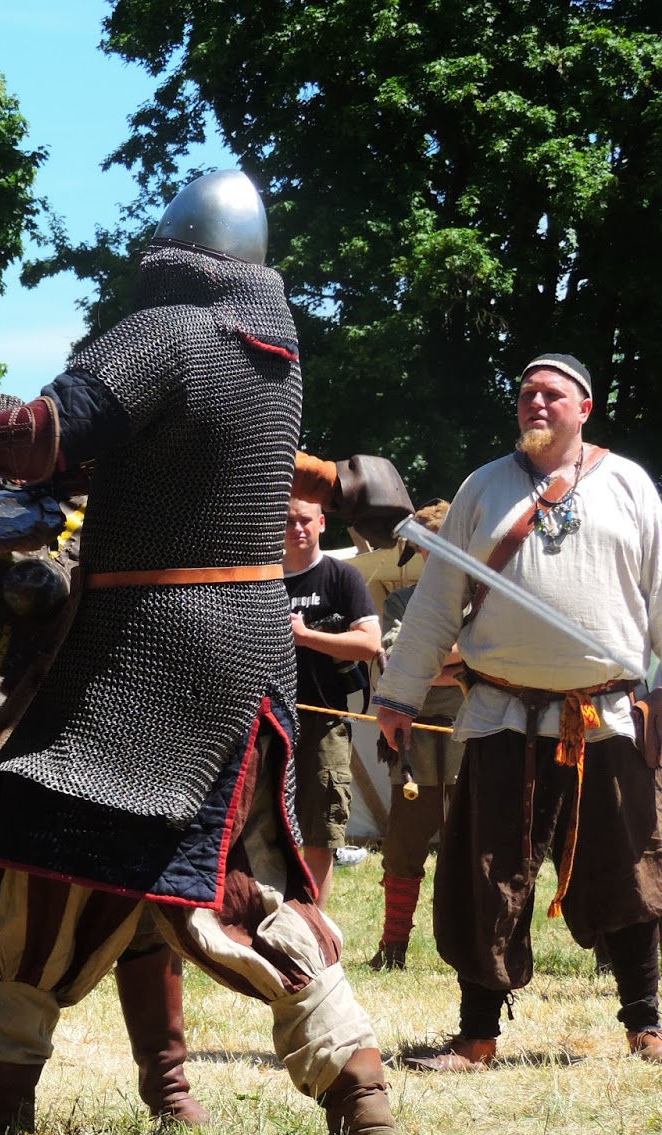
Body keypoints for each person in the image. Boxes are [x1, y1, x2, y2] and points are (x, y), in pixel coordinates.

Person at [0, 171, 396, 1135]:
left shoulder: (169, 333)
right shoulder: (271, 354)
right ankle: (353, 1072)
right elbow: (139, 462)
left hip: (155, 639)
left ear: (171, 251)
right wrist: (343, 479)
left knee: (45, 848)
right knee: (234, 874)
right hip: (250, 642)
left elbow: (48, 437)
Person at [375, 353, 662, 1069]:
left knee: (631, 870)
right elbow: (440, 600)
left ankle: (647, 1026)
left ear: (584, 407)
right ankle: (477, 1038)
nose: (535, 404)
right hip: (503, 718)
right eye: (526, 394)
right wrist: (399, 694)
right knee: (486, 875)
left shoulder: (631, 486)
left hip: (605, 719)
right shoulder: (483, 488)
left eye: (551, 395)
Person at [368, 500, 465, 970]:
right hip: (415, 741)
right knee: (404, 847)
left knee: (473, 847)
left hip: (474, 735)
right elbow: (398, 658)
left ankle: (472, 949)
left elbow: (486, 660)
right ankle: (393, 949)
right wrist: (457, 663)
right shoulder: (400, 603)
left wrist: (426, 662)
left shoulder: (481, 600)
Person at [284, 497, 382, 904]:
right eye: (287, 521)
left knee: (321, 828)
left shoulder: (342, 577)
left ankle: (312, 926)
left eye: (305, 520)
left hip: (323, 721)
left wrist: (306, 637)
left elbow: (370, 643)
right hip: (262, 718)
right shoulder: (260, 578)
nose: (297, 529)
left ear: (322, 523)